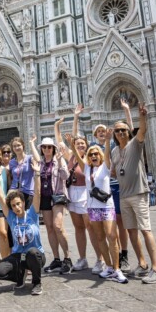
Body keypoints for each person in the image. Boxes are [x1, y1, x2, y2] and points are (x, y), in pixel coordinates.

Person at [110, 103, 156, 284]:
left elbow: (142, 131)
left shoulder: (135, 144)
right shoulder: (115, 151)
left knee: (145, 229)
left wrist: (142, 117)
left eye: (123, 130)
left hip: (139, 193)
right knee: (131, 231)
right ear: (114, 134)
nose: (121, 133)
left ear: (128, 131)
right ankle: (142, 263)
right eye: (117, 131)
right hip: (124, 196)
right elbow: (113, 172)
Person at [67, 131, 128, 284]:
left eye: (96, 154)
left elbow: (106, 153)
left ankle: (117, 269)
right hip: (93, 208)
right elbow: (76, 154)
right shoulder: (87, 168)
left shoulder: (106, 166)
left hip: (107, 207)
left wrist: (107, 141)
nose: (94, 156)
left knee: (112, 236)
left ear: (100, 156)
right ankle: (108, 267)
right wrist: (72, 146)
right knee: (100, 237)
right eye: (91, 154)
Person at [0, 158, 45, 295]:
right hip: (19, 256)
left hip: (36, 255)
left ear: (23, 203)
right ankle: (20, 275)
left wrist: (37, 175)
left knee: (32, 253)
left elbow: (37, 194)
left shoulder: (32, 213)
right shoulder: (12, 217)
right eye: (14, 205)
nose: (17, 207)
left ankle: (37, 283)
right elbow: (2, 200)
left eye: (19, 203)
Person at [55, 117, 103, 274]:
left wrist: (76, 118)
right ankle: (82, 259)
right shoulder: (72, 156)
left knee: (91, 227)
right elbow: (61, 141)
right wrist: (57, 126)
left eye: (83, 143)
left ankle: (100, 260)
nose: (80, 145)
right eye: (78, 143)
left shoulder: (90, 158)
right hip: (73, 194)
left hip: (86, 194)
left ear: (87, 145)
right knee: (79, 228)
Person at [30, 135, 72, 274]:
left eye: (49, 147)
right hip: (45, 198)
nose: (47, 149)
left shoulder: (58, 160)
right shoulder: (40, 163)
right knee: (49, 228)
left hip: (57, 196)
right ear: (41, 149)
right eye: (44, 147)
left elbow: (66, 176)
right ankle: (56, 259)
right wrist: (31, 143)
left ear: (53, 149)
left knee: (58, 226)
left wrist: (60, 160)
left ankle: (67, 259)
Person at [9, 137, 35, 208]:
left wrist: (32, 144)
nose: (16, 148)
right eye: (14, 146)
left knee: (28, 217)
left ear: (23, 145)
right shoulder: (11, 162)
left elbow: (38, 160)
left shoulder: (30, 158)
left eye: (18, 145)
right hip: (15, 192)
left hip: (28, 192)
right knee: (16, 216)